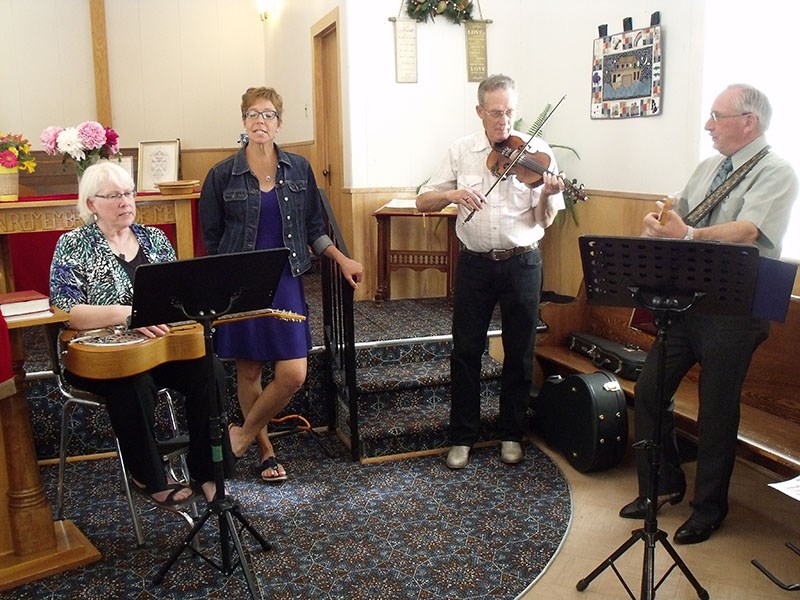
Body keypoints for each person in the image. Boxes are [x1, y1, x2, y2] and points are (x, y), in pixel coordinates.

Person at [620, 83, 799, 544]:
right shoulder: (709, 167)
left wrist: (688, 236)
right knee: (650, 387)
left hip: (734, 312)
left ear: (748, 123)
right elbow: (677, 213)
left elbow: (747, 231)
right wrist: (657, 225)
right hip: (687, 305)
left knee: (716, 412)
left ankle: (709, 508)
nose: (708, 125)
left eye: (717, 116)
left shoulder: (778, 172)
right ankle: (663, 483)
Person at [199, 86, 363, 482]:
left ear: (279, 123)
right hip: (242, 284)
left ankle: (240, 434)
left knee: (293, 373)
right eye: (253, 114)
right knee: (251, 370)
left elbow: (312, 229)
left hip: (287, 278)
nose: (261, 121)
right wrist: (223, 285)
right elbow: (213, 237)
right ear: (243, 122)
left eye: (268, 114)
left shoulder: (299, 169)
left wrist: (341, 259)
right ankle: (265, 449)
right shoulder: (222, 174)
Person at [50, 161, 235, 508]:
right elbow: (66, 310)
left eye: (129, 193)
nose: (125, 202)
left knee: (209, 371)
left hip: (160, 349)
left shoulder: (155, 239)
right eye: (114, 195)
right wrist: (127, 315)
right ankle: (149, 475)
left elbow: (178, 296)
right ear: (92, 204)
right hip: (104, 358)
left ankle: (209, 472)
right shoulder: (73, 245)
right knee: (133, 385)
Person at [416, 74, 565, 469]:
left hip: (523, 261)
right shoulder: (461, 151)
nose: (504, 121)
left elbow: (543, 220)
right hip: (475, 265)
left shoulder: (537, 152)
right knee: (466, 351)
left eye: (511, 112)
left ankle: (511, 433)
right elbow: (422, 200)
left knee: (519, 352)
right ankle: (462, 436)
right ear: (479, 111)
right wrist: (452, 194)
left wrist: (548, 196)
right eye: (496, 112)